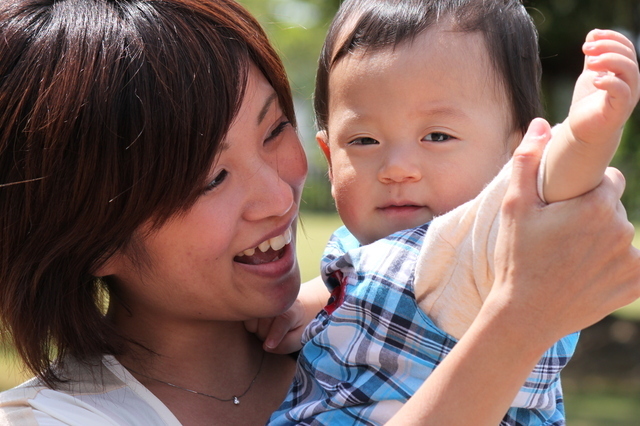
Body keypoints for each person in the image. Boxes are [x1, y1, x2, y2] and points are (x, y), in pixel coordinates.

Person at [0, 1, 638, 426]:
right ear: (89, 234)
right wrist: (522, 318)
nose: (280, 198)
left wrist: (586, 139)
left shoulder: (344, 313)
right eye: (212, 177)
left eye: (274, 129)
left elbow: (545, 189)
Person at [266, 0, 640, 425]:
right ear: (330, 159)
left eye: (437, 136)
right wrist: (302, 305)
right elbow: (364, 282)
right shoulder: (366, 244)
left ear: (520, 151)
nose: (397, 168)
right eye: (364, 141)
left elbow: (554, 187)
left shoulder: (488, 241)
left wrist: (585, 137)